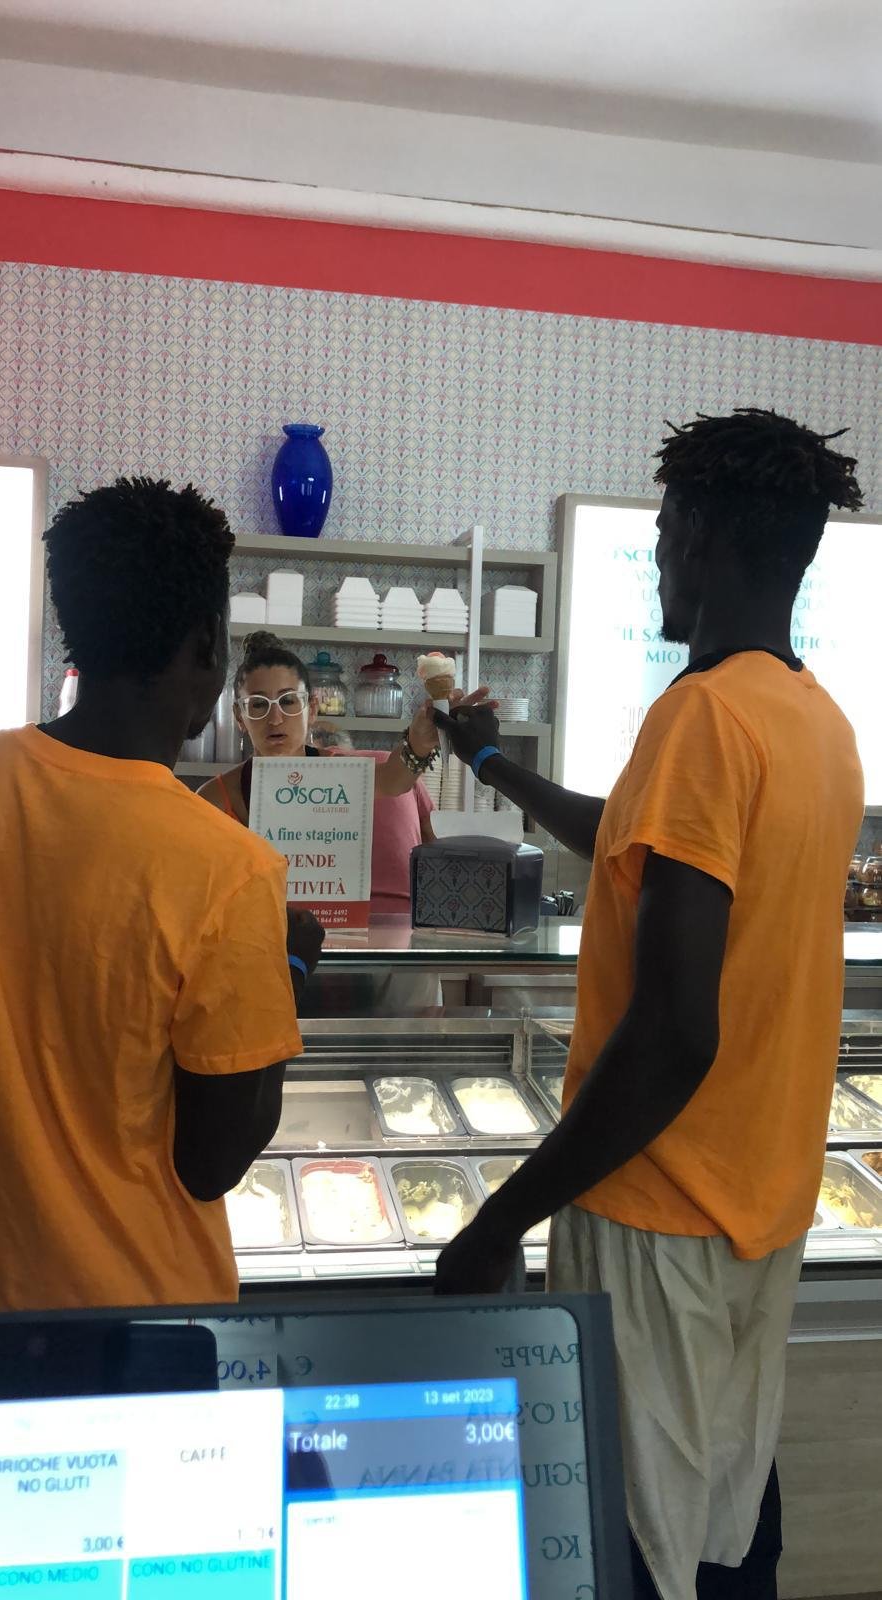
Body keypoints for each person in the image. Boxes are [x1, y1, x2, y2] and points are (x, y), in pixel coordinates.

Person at [434, 409, 865, 1599]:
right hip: (759, 1214)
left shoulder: (706, 717)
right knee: (727, 1530)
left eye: (669, 531)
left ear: (714, 539)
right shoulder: (815, 722)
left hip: (658, 1217)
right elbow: (627, 841)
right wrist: (492, 763)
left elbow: (674, 1034)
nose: (660, 558)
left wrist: (499, 1219)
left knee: (636, 1548)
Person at [0, 477, 324, 1313]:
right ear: (210, 645)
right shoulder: (227, 867)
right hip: (142, 1316)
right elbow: (214, 1162)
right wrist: (290, 966)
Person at [198, 631, 441, 914]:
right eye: (259, 705)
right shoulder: (214, 798)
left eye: (288, 701)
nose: (275, 719)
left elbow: (394, 780)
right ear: (240, 717)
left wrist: (419, 740)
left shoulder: (339, 774)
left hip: (338, 939)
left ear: (311, 709)